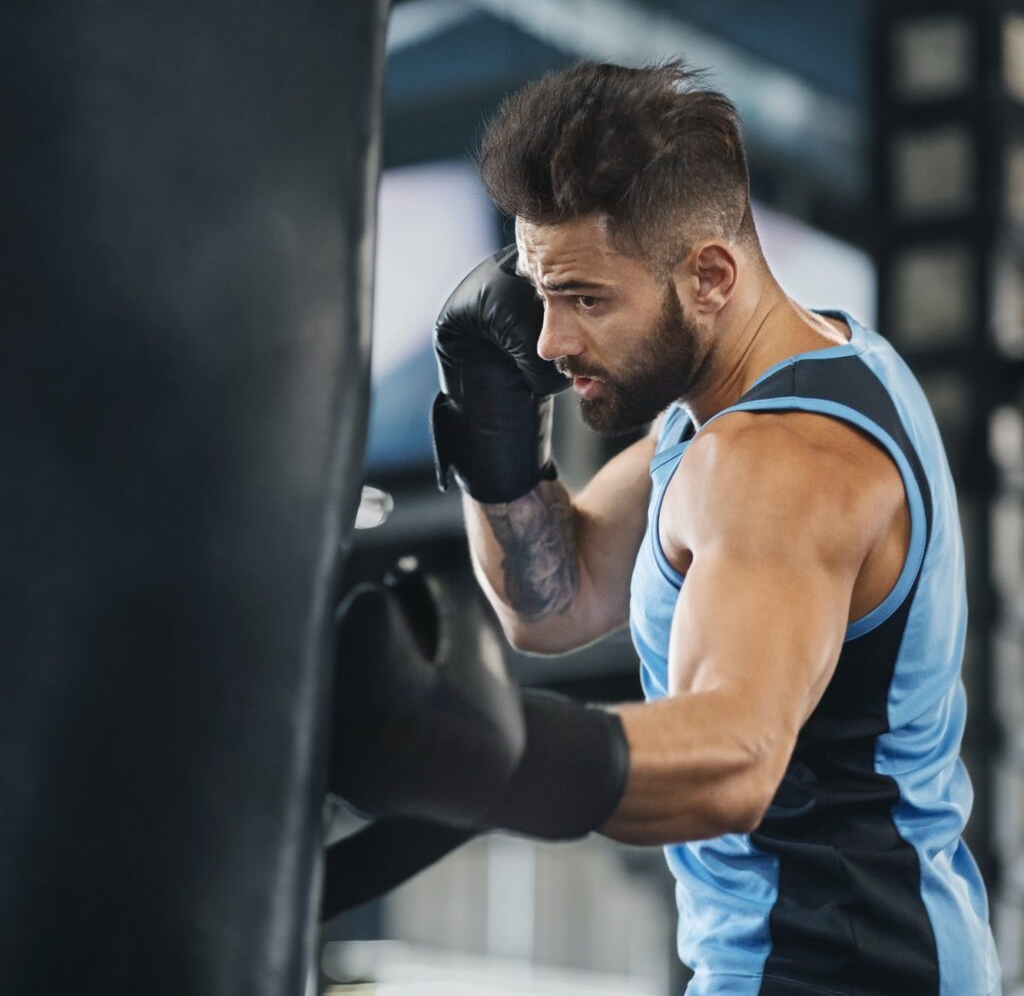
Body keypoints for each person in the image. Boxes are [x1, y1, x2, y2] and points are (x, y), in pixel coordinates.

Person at [331, 61, 1001, 996]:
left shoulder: (781, 466)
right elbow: (554, 604)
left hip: (841, 968)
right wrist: (495, 435)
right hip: (802, 956)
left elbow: (735, 763)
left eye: (587, 299)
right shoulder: (738, 401)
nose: (553, 343)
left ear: (711, 274)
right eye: (540, 290)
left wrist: (497, 756)